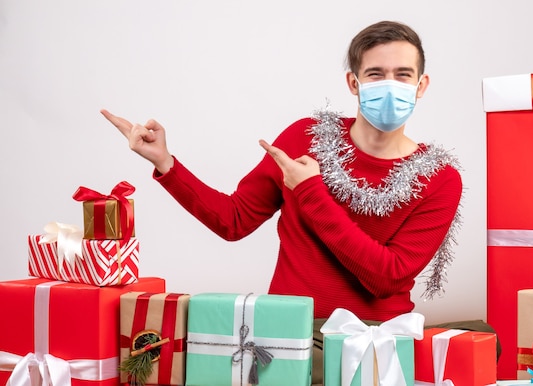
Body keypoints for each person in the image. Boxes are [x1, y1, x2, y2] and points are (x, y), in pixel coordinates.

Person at [102, 20, 497, 384]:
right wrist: (167, 164)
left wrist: (311, 193)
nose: (390, 85)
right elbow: (232, 220)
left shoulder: (440, 178)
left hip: (374, 340)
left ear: (421, 85)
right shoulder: (304, 139)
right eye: (376, 74)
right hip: (289, 331)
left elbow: (387, 277)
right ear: (354, 82)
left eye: (403, 75)